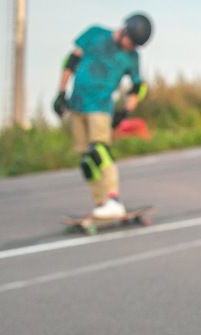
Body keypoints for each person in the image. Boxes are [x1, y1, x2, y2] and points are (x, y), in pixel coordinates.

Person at [52, 13, 152, 220]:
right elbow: (71, 61)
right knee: (86, 160)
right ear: (124, 30)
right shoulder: (95, 34)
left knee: (99, 150)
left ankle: (114, 200)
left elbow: (138, 87)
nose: (132, 47)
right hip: (77, 104)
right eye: (131, 42)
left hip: (100, 107)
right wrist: (61, 94)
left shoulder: (132, 57)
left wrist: (125, 111)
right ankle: (101, 204)